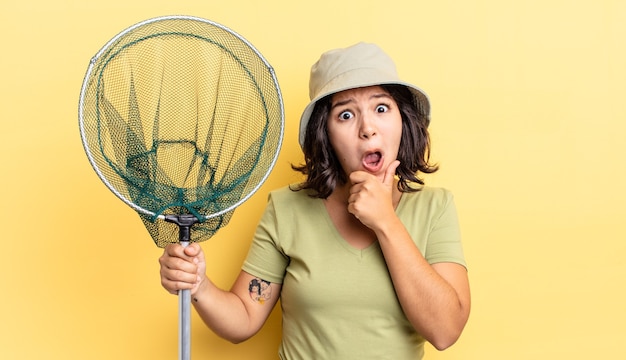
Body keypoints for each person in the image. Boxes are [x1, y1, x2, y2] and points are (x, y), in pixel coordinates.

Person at [159, 42, 471, 359]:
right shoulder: (287, 208)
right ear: (325, 134)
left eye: (381, 108)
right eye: (346, 115)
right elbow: (244, 317)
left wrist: (386, 222)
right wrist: (197, 285)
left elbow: (445, 331)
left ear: (403, 120)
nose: (367, 129)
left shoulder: (436, 207)